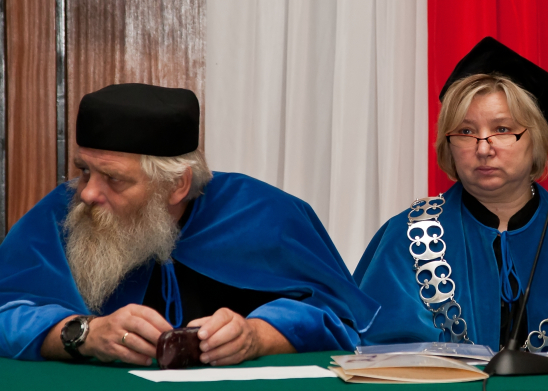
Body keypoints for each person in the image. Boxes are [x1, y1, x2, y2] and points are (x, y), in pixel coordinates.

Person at [0, 83, 378, 365]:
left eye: (114, 178)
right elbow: (7, 309)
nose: (87, 193)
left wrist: (257, 336)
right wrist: (83, 333)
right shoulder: (63, 214)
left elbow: (343, 318)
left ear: (177, 185)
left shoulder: (264, 214)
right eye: (84, 171)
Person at [354, 37, 548, 353]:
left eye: (502, 129)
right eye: (466, 132)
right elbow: (375, 350)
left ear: (536, 139)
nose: (483, 148)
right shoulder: (408, 236)